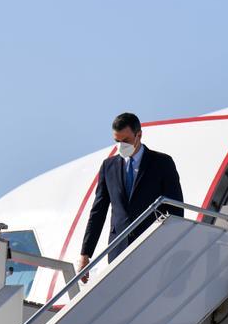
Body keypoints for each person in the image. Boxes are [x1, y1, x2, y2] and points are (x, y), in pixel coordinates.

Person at [78, 113, 183, 282]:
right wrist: (85, 254)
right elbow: (98, 211)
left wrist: (173, 250)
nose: (121, 146)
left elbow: (176, 209)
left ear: (139, 135)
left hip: (151, 246)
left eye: (125, 141)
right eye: (117, 141)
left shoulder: (162, 163)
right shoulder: (108, 166)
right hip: (118, 248)